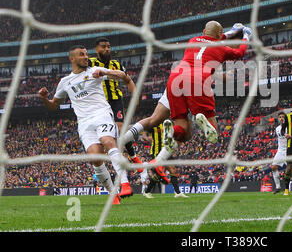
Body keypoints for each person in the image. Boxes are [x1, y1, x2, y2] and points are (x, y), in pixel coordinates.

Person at [38, 45, 134, 204]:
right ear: (72, 59)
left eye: (86, 54)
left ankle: (124, 183)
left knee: (108, 141)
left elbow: (123, 76)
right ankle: (113, 195)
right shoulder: (65, 82)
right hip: (84, 122)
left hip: (102, 114)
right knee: (95, 158)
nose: (85, 57)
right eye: (81, 55)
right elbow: (53, 105)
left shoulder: (94, 70)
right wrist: (43, 98)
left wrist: (105, 71)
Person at [162, 21, 250, 158]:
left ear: (204, 31)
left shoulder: (192, 40)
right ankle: (204, 123)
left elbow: (212, 39)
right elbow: (240, 52)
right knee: (213, 134)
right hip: (197, 79)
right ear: (219, 34)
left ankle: (172, 132)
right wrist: (246, 36)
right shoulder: (222, 48)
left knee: (183, 130)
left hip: (175, 77)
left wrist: (231, 32)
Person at [88, 38, 144, 173]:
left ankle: (133, 156)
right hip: (100, 103)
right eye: (103, 47)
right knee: (108, 135)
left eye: (108, 46)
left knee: (121, 128)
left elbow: (128, 81)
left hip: (115, 100)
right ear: (96, 49)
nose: (107, 49)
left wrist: (135, 96)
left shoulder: (116, 64)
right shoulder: (90, 63)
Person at [141, 124, 188, 198]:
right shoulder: (154, 123)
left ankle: (177, 192)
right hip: (157, 152)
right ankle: (147, 191)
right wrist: (150, 139)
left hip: (167, 150)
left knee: (173, 170)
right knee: (160, 175)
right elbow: (144, 135)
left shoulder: (167, 124)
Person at [271, 112, 288, 194]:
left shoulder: (289, 127)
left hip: (289, 150)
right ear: (278, 119)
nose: (281, 118)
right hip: (280, 151)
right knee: (274, 167)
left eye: (283, 117)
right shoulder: (277, 128)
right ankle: (278, 187)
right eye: (280, 117)